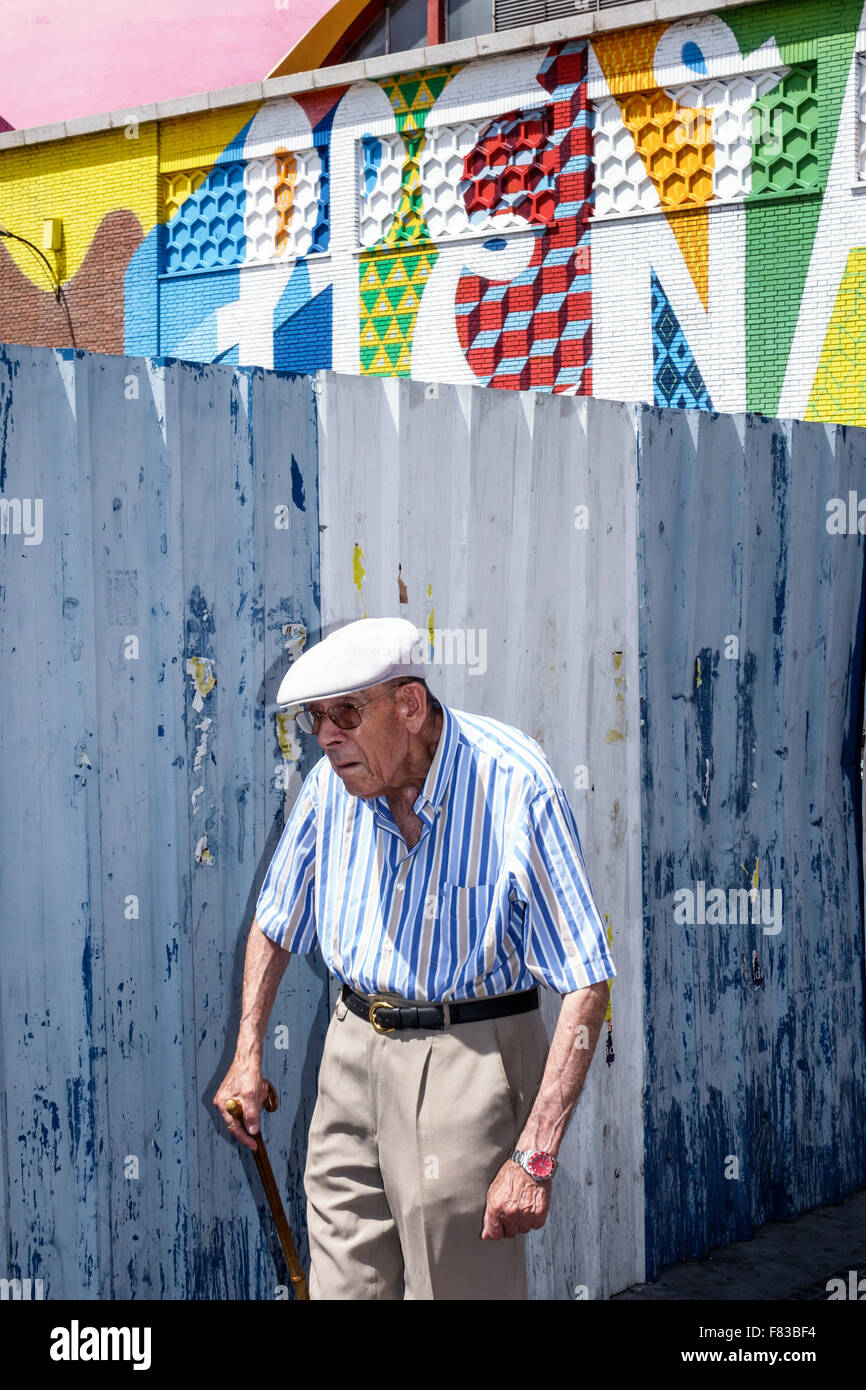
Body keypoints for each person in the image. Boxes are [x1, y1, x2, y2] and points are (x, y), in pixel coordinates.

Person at [214, 616, 616, 1300]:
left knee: (457, 1290)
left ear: (409, 704)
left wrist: (536, 1154)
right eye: (316, 719)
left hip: (470, 1063)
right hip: (349, 1058)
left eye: (345, 713)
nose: (327, 736)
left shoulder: (514, 783)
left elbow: (587, 981)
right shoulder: (328, 790)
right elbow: (276, 920)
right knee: (345, 1290)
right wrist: (247, 1056)